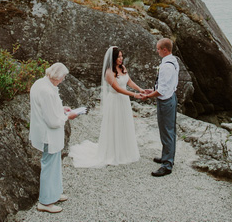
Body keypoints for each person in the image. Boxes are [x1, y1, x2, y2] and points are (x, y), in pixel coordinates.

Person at [69, 46, 146, 167]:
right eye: (118, 57)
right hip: (115, 100)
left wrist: (140, 89)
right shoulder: (109, 72)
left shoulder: (123, 68)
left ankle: (125, 150)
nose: (121, 59)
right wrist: (135, 95)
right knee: (114, 124)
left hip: (124, 100)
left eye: (121, 56)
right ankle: (113, 152)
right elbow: (117, 88)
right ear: (113, 58)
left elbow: (129, 81)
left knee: (125, 123)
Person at [29, 62, 79, 214]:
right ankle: (45, 201)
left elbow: (47, 108)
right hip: (48, 134)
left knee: (55, 164)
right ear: (57, 76)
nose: (63, 80)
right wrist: (68, 116)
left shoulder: (40, 83)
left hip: (44, 132)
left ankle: (55, 193)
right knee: (49, 166)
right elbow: (52, 121)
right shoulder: (47, 90)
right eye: (63, 77)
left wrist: (61, 109)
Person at [141, 38, 179, 177]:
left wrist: (148, 96)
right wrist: (152, 91)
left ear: (164, 50)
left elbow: (162, 90)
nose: (156, 51)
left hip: (166, 101)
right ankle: (166, 156)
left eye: (158, 49)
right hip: (171, 97)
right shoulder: (173, 60)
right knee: (169, 130)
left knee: (167, 131)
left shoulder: (166, 66)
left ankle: (167, 164)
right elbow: (167, 85)